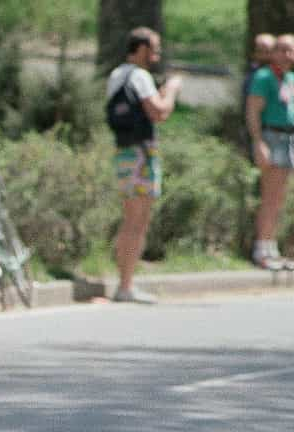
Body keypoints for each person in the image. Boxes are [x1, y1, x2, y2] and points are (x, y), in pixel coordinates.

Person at [105, 26, 180, 304]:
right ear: (142, 49)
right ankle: (125, 286)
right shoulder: (139, 76)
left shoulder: (117, 74)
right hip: (141, 153)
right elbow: (159, 112)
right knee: (137, 219)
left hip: (124, 151)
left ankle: (126, 282)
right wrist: (171, 91)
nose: (157, 54)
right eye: (155, 48)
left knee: (133, 218)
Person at [246, 34, 294, 271]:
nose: (286, 55)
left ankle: (273, 247)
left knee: (279, 197)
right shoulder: (263, 77)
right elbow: (253, 111)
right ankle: (262, 248)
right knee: (269, 196)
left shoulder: (292, 79)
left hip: (290, 138)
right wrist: (258, 142)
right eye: (281, 50)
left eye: (291, 50)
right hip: (271, 136)